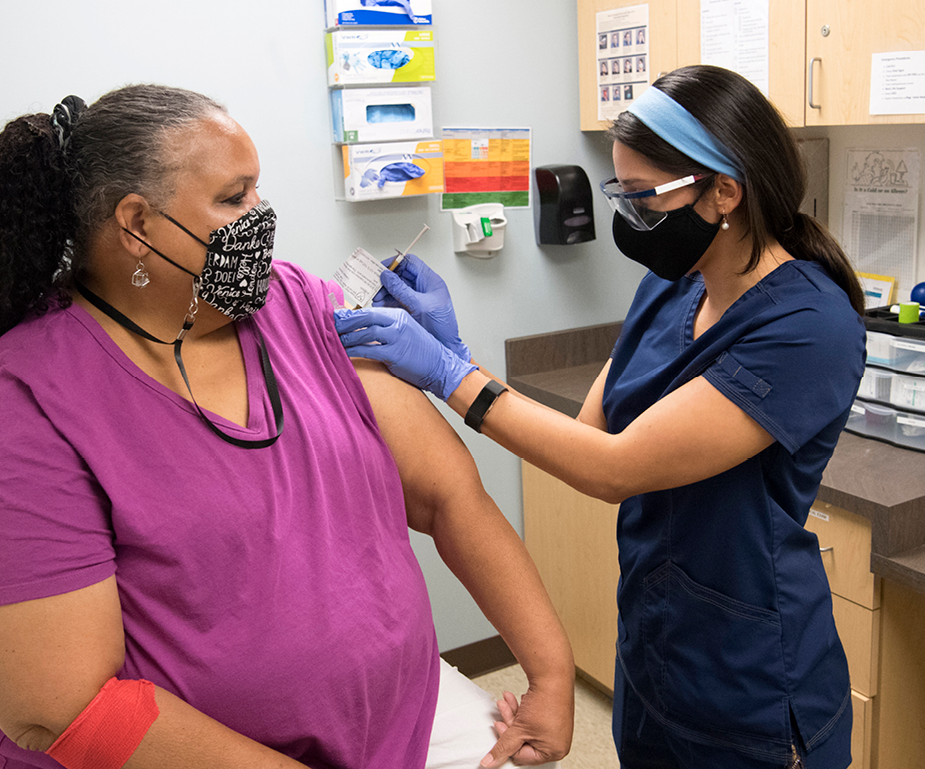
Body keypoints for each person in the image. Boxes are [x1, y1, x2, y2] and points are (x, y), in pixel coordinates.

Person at [0, 84, 574, 769]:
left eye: (257, 193)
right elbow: (64, 707)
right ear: (137, 223)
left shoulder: (306, 311)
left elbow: (449, 498)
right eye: (234, 199)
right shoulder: (23, 408)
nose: (261, 218)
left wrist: (550, 674)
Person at [334, 65, 867, 769]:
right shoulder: (673, 284)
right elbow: (590, 436)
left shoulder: (807, 325)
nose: (629, 217)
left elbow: (615, 470)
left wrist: (449, 373)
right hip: (655, 636)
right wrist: (459, 355)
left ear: (724, 193)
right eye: (622, 192)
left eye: (644, 198)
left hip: (751, 667)